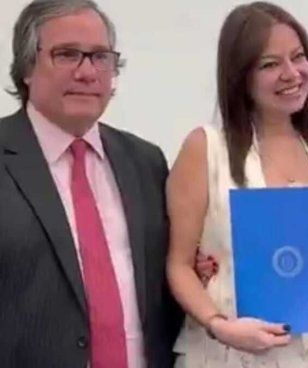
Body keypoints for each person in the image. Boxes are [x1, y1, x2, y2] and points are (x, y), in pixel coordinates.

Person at [0, 0, 182, 367]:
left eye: (100, 57)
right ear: (26, 68)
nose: (87, 72)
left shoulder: (146, 162)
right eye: (67, 55)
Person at [166, 2, 308, 367]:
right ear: (240, 76)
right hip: (227, 352)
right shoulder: (206, 148)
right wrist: (219, 324)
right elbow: (179, 265)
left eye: (298, 57)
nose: (292, 73)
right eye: (269, 64)